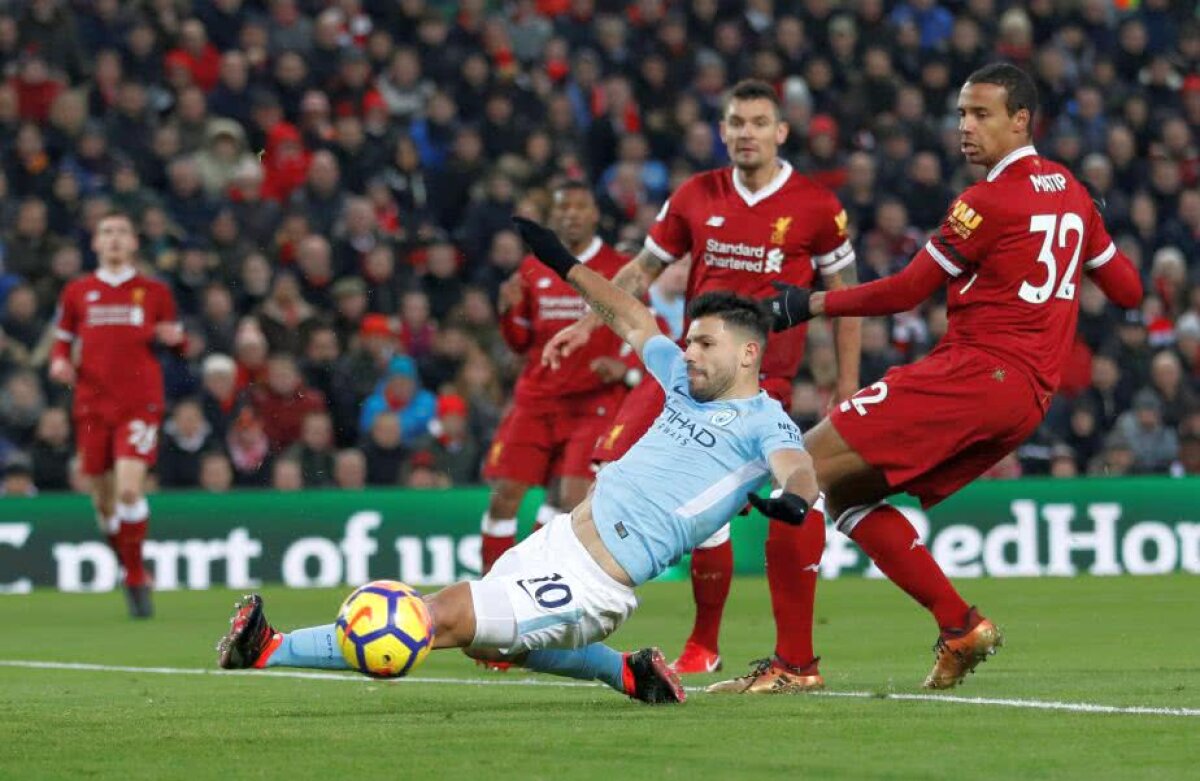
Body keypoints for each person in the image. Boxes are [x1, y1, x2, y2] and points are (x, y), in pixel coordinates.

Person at [216, 217, 820, 705]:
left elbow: (797, 464)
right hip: (558, 542)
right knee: (490, 645)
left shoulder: (765, 421)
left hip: (595, 582)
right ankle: (626, 674)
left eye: (703, 344)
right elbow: (631, 316)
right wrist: (563, 261)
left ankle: (268, 647)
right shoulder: (684, 382)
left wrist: (793, 497)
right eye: (688, 340)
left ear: (747, 354)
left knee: (442, 614)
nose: (687, 352)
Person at [710, 63, 1143, 693]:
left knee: (799, 468)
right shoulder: (1072, 191)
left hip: (974, 373)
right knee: (851, 498)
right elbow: (1128, 291)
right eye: (962, 114)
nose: (965, 127)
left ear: (1021, 120)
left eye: (981, 114)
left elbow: (908, 291)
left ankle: (792, 666)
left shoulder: (984, 202)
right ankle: (959, 625)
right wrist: (1092, 227)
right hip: (1026, 399)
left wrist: (808, 304)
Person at [545, 79, 861, 678]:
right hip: (687, 376)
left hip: (762, 387)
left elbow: (843, 300)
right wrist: (588, 325)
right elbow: (642, 270)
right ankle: (579, 603)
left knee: (741, 500)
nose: (747, 133)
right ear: (722, 131)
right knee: (610, 465)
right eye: (736, 123)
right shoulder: (695, 195)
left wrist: (845, 385)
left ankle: (716, 642)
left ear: (781, 132)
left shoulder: (817, 207)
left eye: (759, 123)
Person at [478, 181, 629, 574]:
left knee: (570, 502)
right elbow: (520, 342)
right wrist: (508, 312)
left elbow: (641, 326)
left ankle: (533, 582)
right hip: (537, 398)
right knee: (504, 496)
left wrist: (625, 367)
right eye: (564, 208)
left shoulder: (616, 268)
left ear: (595, 214)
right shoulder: (532, 268)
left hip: (591, 402)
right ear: (553, 216)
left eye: (580, 206)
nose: (571, 214)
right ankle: (490, 587)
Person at [48, 210, 185, 618]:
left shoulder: (154, 291)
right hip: (91, 404)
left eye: (122, 232)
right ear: (95, 243)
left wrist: (175, 339)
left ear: (134, 242)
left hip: (139, 402)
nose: (114, 239)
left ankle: (136, 577)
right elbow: (62, 342)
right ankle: (130, 566)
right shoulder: (77, 291)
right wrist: (59, 363)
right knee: (104, 504)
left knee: (129, 491)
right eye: (106, 232)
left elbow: (177, 340)